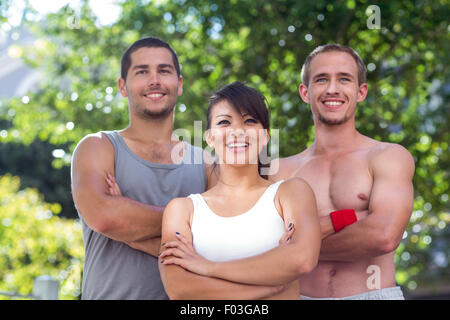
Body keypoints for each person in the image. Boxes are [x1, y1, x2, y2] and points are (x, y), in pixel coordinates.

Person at [70, 37, 212, 299]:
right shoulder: (98, 147)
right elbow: (104, 217)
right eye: (142, 71)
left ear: (179, 84)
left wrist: (128, 225)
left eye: (164, 71)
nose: (154, 80)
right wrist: (192, 223)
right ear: (123, 86)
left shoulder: (206, 163)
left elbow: (217, 244)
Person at [271, 44, 415, 300]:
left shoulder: (388, 156)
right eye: (321, 79)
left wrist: (296, 247)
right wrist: (353, 219)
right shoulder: (281, 171)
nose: (332, 89)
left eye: (344, 79)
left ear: (361, 91)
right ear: (305, 92)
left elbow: (383, 236)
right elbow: (259, 242)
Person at [157, 81, 322, 299]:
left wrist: (207, 267)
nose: (237, 131)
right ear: (209, 137)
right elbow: (181, 289)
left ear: (265, 135)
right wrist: (271, 283)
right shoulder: (182, 210)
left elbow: (301, 259)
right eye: (225, 122)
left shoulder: (290, 193)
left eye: (250, 121)